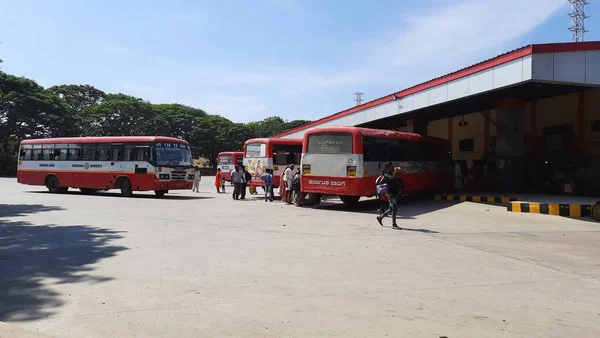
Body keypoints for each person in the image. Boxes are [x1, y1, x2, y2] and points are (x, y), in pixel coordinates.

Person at [376, 162, 402, 229]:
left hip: (395, 192)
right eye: (391, 166)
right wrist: (395, 172)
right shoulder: (386, 174)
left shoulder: (391, 172)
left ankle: (380, 217)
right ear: (388, 167)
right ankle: (394, 224)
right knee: (394, 208)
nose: (393, 166)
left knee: (391, 208)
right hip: (390, 193)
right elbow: (392, 178)